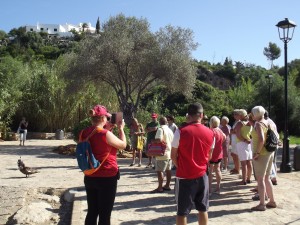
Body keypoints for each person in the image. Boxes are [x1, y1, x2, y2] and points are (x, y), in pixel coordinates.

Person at [80, 105, 126, 225]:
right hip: (107, 176)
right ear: (104, 118)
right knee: (105, 215)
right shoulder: (105, 134)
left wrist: (108, 129)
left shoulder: (83, 133)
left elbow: (96, 142)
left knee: (92, 212)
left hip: (90, 174)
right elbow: (123, 145)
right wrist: (121, 129)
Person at [171, 103, 214, 225]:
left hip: (185, 176)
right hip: (202, 175)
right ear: (201, 115)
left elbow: (173, 155)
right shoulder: (211, 133)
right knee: (203, 209)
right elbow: (209, 156)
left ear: (188, 115)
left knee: (182, 212)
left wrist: (181, 165)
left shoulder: (181, 131)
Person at [250, 106, 277, 211]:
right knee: (267, 178)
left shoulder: (258, 124)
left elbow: (261, 139)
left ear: (255, 114)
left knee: (260, 179)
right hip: (269, 152)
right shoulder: (268, 122)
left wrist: (257, 153)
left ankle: (262, 204)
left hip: (261, 154)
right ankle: (272, 201)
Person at [150, 117, 174, 193]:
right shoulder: (170, 130)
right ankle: (167, 185)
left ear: (160, 122)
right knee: (168, 170)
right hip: (169, 153)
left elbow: (159, 139)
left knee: (159, 170)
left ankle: (160, 187)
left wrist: (152, 141)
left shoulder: (160, 129)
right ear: (166, 122)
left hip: (162, 153)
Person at [234, 109, 253, 185]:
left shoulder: (240, 123)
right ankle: (248, 178)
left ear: (241, 115)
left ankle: (244, 180)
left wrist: (244, 140)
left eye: (238, 114)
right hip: (248, 143)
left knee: (243, 163)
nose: (236, 115)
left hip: (242, 143)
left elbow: (238, 134)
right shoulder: (249, 123)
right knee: (249, 162)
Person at [209, 116, 225, 195]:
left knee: (210, 171)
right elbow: (224, 137)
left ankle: (209, 189)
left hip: (212, 153)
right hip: (219, 152)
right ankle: (218, 187)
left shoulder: (211, 131)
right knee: (218, 170)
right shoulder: (220, 131)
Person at [264, 110, 280, 185]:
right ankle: (274, 177)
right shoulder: (271, 121)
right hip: (274, 144)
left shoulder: (266, 122)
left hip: (270, 144)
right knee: (273, 162)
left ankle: (272, 178)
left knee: (270, 162)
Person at [229, 109, 241, 175]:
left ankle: (237, 169)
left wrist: (232, 131)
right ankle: (236, 168)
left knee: (236, 155)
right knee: (234, 154)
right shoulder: (236, 121)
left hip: (237, 140)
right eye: (234, 114)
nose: (234, 115)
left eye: (236, 114)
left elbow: (235, 131)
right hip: (234, 140)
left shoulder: (239, 122)